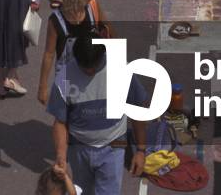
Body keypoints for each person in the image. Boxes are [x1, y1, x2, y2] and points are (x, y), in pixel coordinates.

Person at [46, 35, 147, 190]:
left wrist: (140, 151)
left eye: (94, 66)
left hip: (114, 145)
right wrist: (61, 156)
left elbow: (137, 110)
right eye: (84, 68)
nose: (89, 71)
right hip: (79, 148)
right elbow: (60, 122)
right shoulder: (65, 77)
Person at [37, 0, 108, 107]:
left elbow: (106, 28)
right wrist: (42, 87)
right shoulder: (56, 21)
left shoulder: (92, 6)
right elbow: (49, 54)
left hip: (91, 70)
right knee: (67, 115)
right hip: (67, 77)